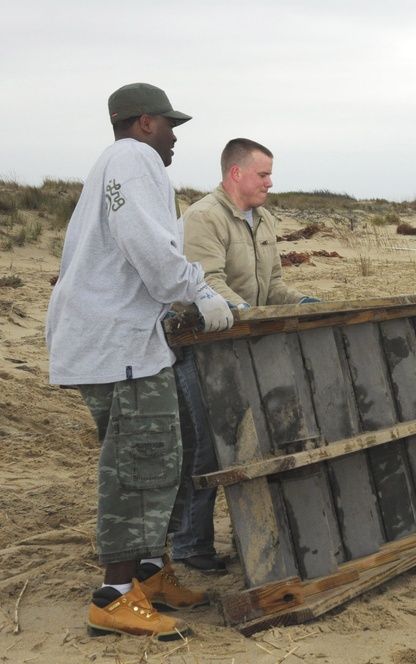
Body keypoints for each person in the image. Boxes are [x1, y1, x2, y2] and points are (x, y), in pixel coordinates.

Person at [46, 83, 234, 641]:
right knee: (139, 465)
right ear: (146, 123)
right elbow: (149, 244)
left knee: (171, 455)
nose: (176, 138)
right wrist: (197, 293)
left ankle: (151, 574)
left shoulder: (117, 162)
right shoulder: (133, 158)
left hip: (125, 343)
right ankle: (115, 596)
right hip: (116, 348)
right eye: (171, 126)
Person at [172, 138, 319, 574]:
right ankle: (188, 544)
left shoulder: (266, 219)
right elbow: (208, 283)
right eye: (263, 174)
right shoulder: (203, 218)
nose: (270, 183)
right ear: (235, 173)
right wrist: (254, 317)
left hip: (244, 345)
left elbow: (273, 284)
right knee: (202, 449)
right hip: (201, 350)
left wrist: (304, 303)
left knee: (245, 443)